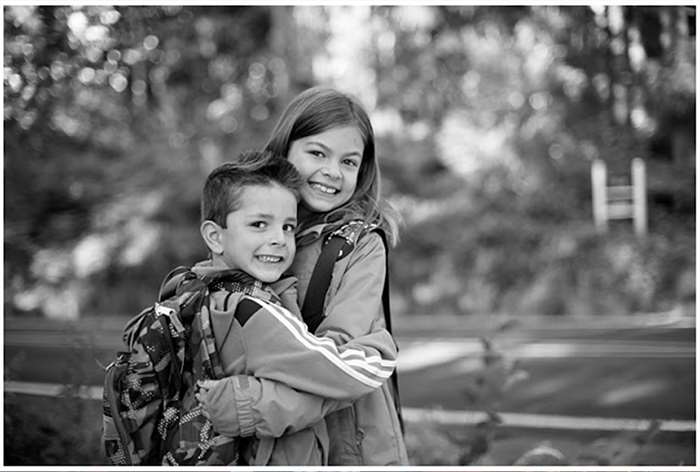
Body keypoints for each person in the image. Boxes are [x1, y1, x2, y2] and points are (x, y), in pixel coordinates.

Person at [197, 87, 409, 465]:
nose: (332, 172)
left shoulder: (359, 244)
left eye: (349, 162)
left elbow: (342, 370)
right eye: (317, 153)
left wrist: (254, 405)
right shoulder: (257, 229)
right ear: (285, 149)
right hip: (276, 447)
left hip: (351, 440)